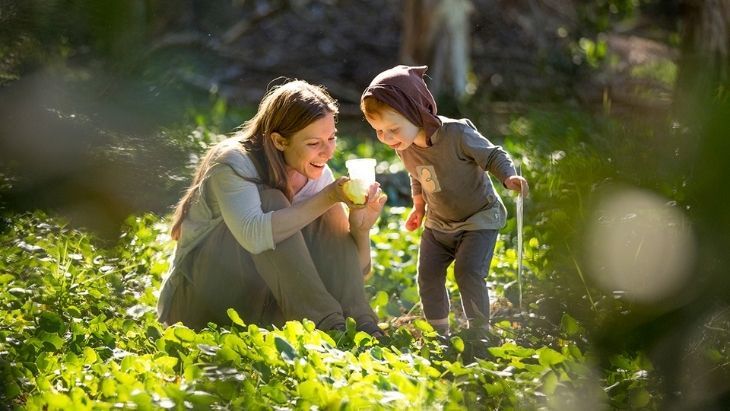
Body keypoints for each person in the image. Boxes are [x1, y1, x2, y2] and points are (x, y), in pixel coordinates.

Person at [157, 79, 387, 337]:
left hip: (267, 303)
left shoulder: (317, 175)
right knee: (273, 203)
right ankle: (330, 327)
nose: (328, 152)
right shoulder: (234, 162)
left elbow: (357, 272)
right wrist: (329, 196)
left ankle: (363, 326)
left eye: (332, 138)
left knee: (327, 209)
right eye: (313, 143)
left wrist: (360, 229)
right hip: (200, 306)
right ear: (279, 141)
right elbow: (255, 237)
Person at [360, 65, 528, 336]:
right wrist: (419, 206)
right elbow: (417, 174)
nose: (387, 138)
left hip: (478, 218)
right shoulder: (404, 145)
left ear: (417, 112)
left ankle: (479, 333)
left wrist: (509, 178)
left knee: (468, 272)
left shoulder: (457, 134)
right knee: (427, 275)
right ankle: (440, 334)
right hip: (439, 223)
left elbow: (493, 155)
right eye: (379, 131)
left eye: (392, 128)